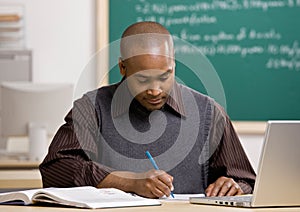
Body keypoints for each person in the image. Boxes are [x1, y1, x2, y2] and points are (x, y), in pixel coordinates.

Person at [39, 21, 256, 198]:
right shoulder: (91, 108)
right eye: (142, 79)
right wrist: (128, 182)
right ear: (123, 68)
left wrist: (234, 187)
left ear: (174, 66)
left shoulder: (210, 113)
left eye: (164, 77)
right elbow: (56, 169)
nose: (155, 90)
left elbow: (247, 181)